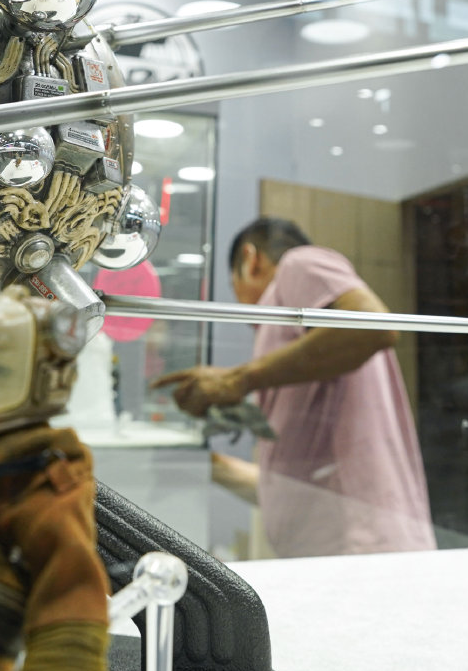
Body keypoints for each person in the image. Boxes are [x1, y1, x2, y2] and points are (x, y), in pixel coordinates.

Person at [151, 218, 435, 558]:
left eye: (233, 285)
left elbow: (375, 326)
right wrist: (208, 465)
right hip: (350, 545)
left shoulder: (298, 263)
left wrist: (238, 379)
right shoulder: (305, 349)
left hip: (360, 547)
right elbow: (289, 488)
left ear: (251, 260)